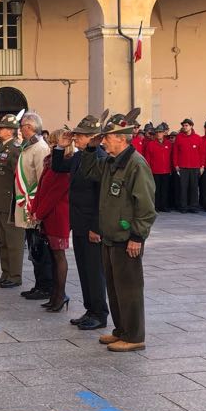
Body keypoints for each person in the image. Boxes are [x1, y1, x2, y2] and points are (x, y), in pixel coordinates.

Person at [65, 112, 157, 353]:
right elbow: (88, 172)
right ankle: (121, 330)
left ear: (122, 139)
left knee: (130, 289)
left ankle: (134, 335)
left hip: (127, 239)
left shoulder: (136, 164)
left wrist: (137, 236)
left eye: (107, 137)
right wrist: (89, 150)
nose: (103, 141)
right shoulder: (110, 162)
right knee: (116, 290)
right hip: (110, 237)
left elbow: (146, 207)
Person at [51, 114, 107, 330]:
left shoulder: (100, 158)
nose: (76, 138)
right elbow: (58, 167)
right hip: (79, 223)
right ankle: (89, 309)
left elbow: (100, 197)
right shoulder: (78, 156)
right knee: (84, 269)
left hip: (91, 225)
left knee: (94, 271)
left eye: (81, 135)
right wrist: (60, 147)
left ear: (94, 137)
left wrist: (96, 227)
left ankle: (99, 314)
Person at [29, 129, 71, 313]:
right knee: (53, 257)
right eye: (51, 143)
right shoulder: (51, 162)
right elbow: (41, 189)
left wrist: (39, 213)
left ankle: (60, 296)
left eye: (54, 143)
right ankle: (55, 294)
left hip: (57, 216)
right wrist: (34, 210)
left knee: (59, 256)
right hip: (48, 214)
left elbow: (54, 194)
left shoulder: (64, 166)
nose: (51, 146)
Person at [15, 112, 52, 300]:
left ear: (29, 127)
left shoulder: (40, 148)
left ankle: (46, 285)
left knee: (40, 247)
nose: (20, 129)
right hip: (28, 205)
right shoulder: (28, 147)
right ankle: (39, 283)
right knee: (33, 246)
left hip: (35, 206)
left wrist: (38, 209)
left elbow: (42, 180)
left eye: (22, 126)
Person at [0, 113, 24, 289]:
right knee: (3, 240)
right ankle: (6, 272)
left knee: (13, 241)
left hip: (10, 201)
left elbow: (19, 177)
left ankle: (15, 275)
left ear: (10, 131)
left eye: (1, 128)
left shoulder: (15, 149)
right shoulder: (1, 146)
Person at [173, 118, 204, 213]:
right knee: (183, 188)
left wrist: (202, 165)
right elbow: (175, 152)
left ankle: (194, 206)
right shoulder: (179, 138)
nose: (184, 127)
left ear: (191, 126)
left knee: (194, 188)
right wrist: (176, 164)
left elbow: (202, 153)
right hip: (183, 167)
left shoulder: (198, 138)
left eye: (186, 125)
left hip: (195, 167)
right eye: (183, 125)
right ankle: (183, 207)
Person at [144, 123, 173, 212]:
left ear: (164, 133)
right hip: (155, 171)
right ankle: (156, 206)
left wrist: (171, 168)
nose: (158, 134)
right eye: (157, 132)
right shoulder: (151, 144)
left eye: (160, 132)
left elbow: (171, 157)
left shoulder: (168, 144)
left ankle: (163, 206)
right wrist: (148, 170)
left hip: (166, 171)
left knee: (165, 190)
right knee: (156, 190)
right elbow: (147, 159)